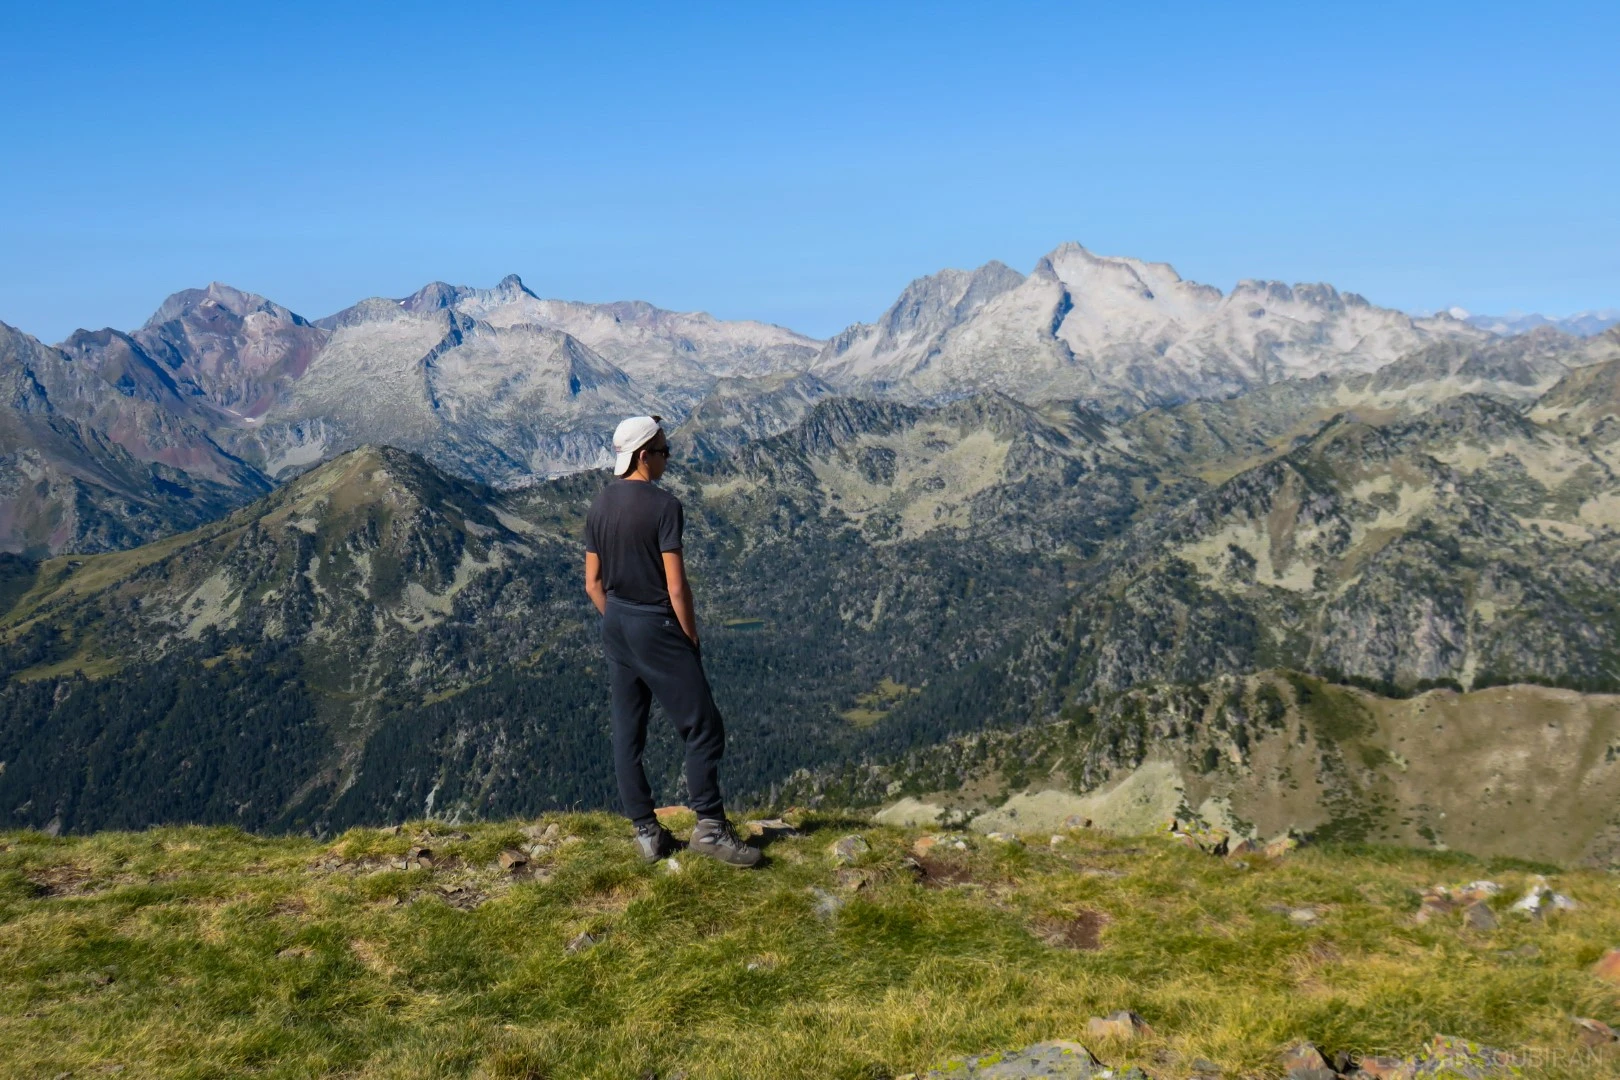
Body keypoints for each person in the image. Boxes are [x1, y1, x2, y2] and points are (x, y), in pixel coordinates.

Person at [583, 415, 761, 868]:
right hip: (655, 624)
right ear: (644, 456)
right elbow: (676, 586)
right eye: (664, 451)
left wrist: (620, 625)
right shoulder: (664, 506)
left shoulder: (599, 503)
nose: (667, 458)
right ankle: (711, 829)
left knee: (628, 733)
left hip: (617, 623)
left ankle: (648, 833)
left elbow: (592, 583)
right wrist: (688, 639)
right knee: (702, 725)